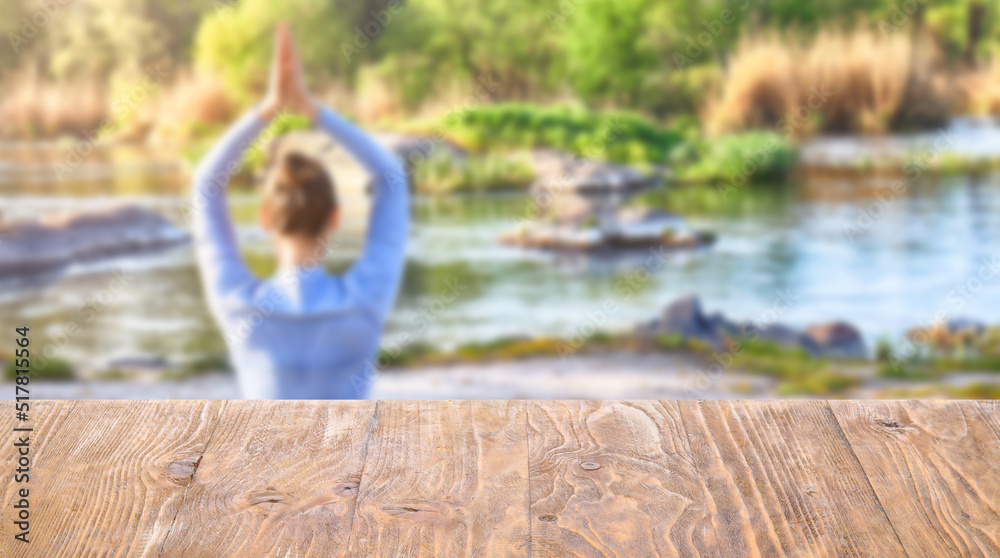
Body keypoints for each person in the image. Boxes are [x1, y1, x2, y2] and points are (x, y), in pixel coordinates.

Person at [191, 25, 408, 399]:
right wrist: (313, 110)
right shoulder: (365, 300)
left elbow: (206, 184)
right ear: (335, 218)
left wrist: (267, 109)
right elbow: (391, 178)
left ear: (266, 218)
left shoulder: (240, 307)